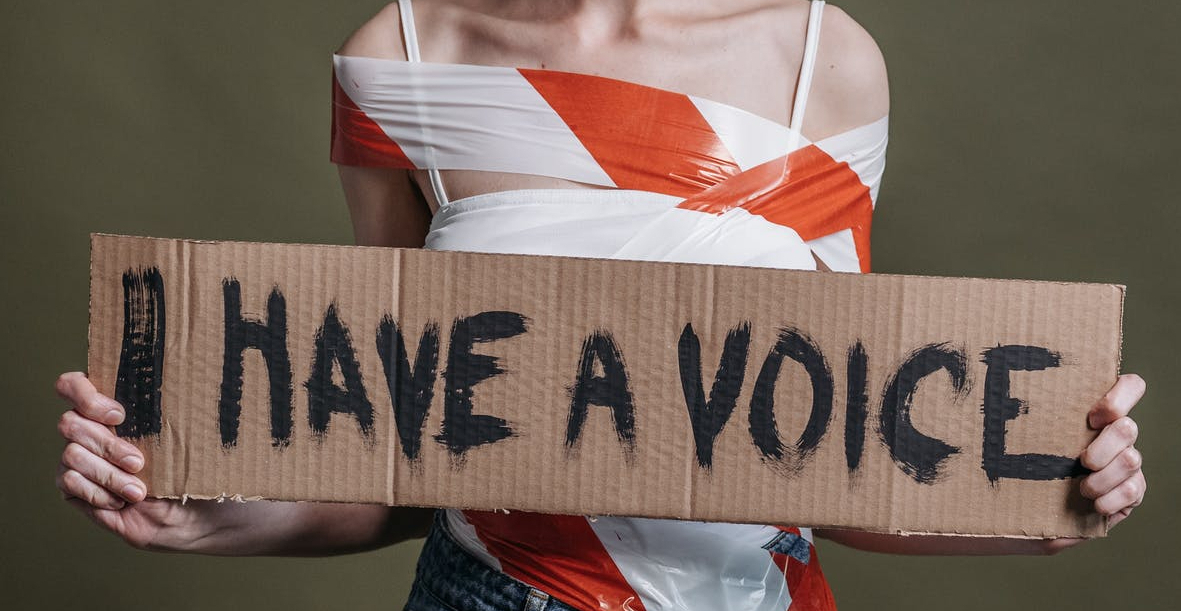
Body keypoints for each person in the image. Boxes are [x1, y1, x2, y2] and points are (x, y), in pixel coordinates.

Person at [55, 1, 1147, 609]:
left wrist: (1040, 504)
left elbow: (838, 464)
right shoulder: (400, 53)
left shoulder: (826, 61)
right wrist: (224, 519)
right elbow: (402, 455)